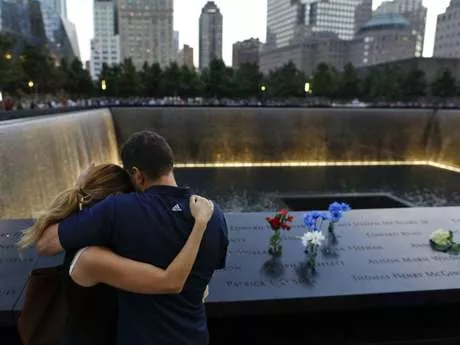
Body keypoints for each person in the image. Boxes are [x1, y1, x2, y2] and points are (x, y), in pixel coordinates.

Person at [37, 130, 229, 345]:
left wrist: (80, 192)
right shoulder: (214, 215)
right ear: (170, 164)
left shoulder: (119, 210)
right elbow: (205, 278)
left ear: (137, 175)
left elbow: (46, 244)